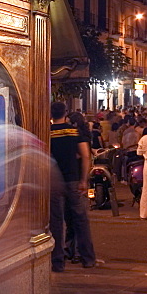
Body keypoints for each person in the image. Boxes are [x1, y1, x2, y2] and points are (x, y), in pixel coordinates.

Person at [49, 101, 97, 271]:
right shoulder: (74, 131)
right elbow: (85, 156)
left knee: (56, 222)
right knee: (80, 219)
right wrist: (84, 179)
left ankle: (58, 261)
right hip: (73, 180)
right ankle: (88, 258)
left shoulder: (47, 133)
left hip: (53, 182)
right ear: (66, 113)